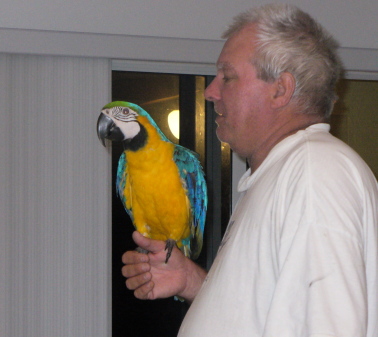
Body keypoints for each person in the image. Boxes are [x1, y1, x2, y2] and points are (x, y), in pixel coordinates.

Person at [121, 3, 378, 336]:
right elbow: (270, 314)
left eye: (227, 77)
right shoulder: (283, 174)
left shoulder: (314, 173)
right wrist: (195, 282)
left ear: (280, 89)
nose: (211, 92)